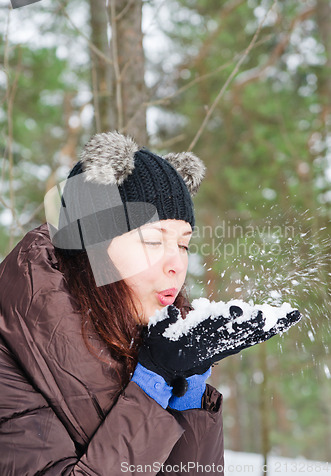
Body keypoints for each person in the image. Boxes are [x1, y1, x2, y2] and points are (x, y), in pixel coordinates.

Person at [0, 131, 301, 475]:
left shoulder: (145, 337)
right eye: (153, 240)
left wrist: (186, 394)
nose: (176, 264)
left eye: (183, 244)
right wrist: (150, 386)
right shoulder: (10, 357)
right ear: (92, 248)